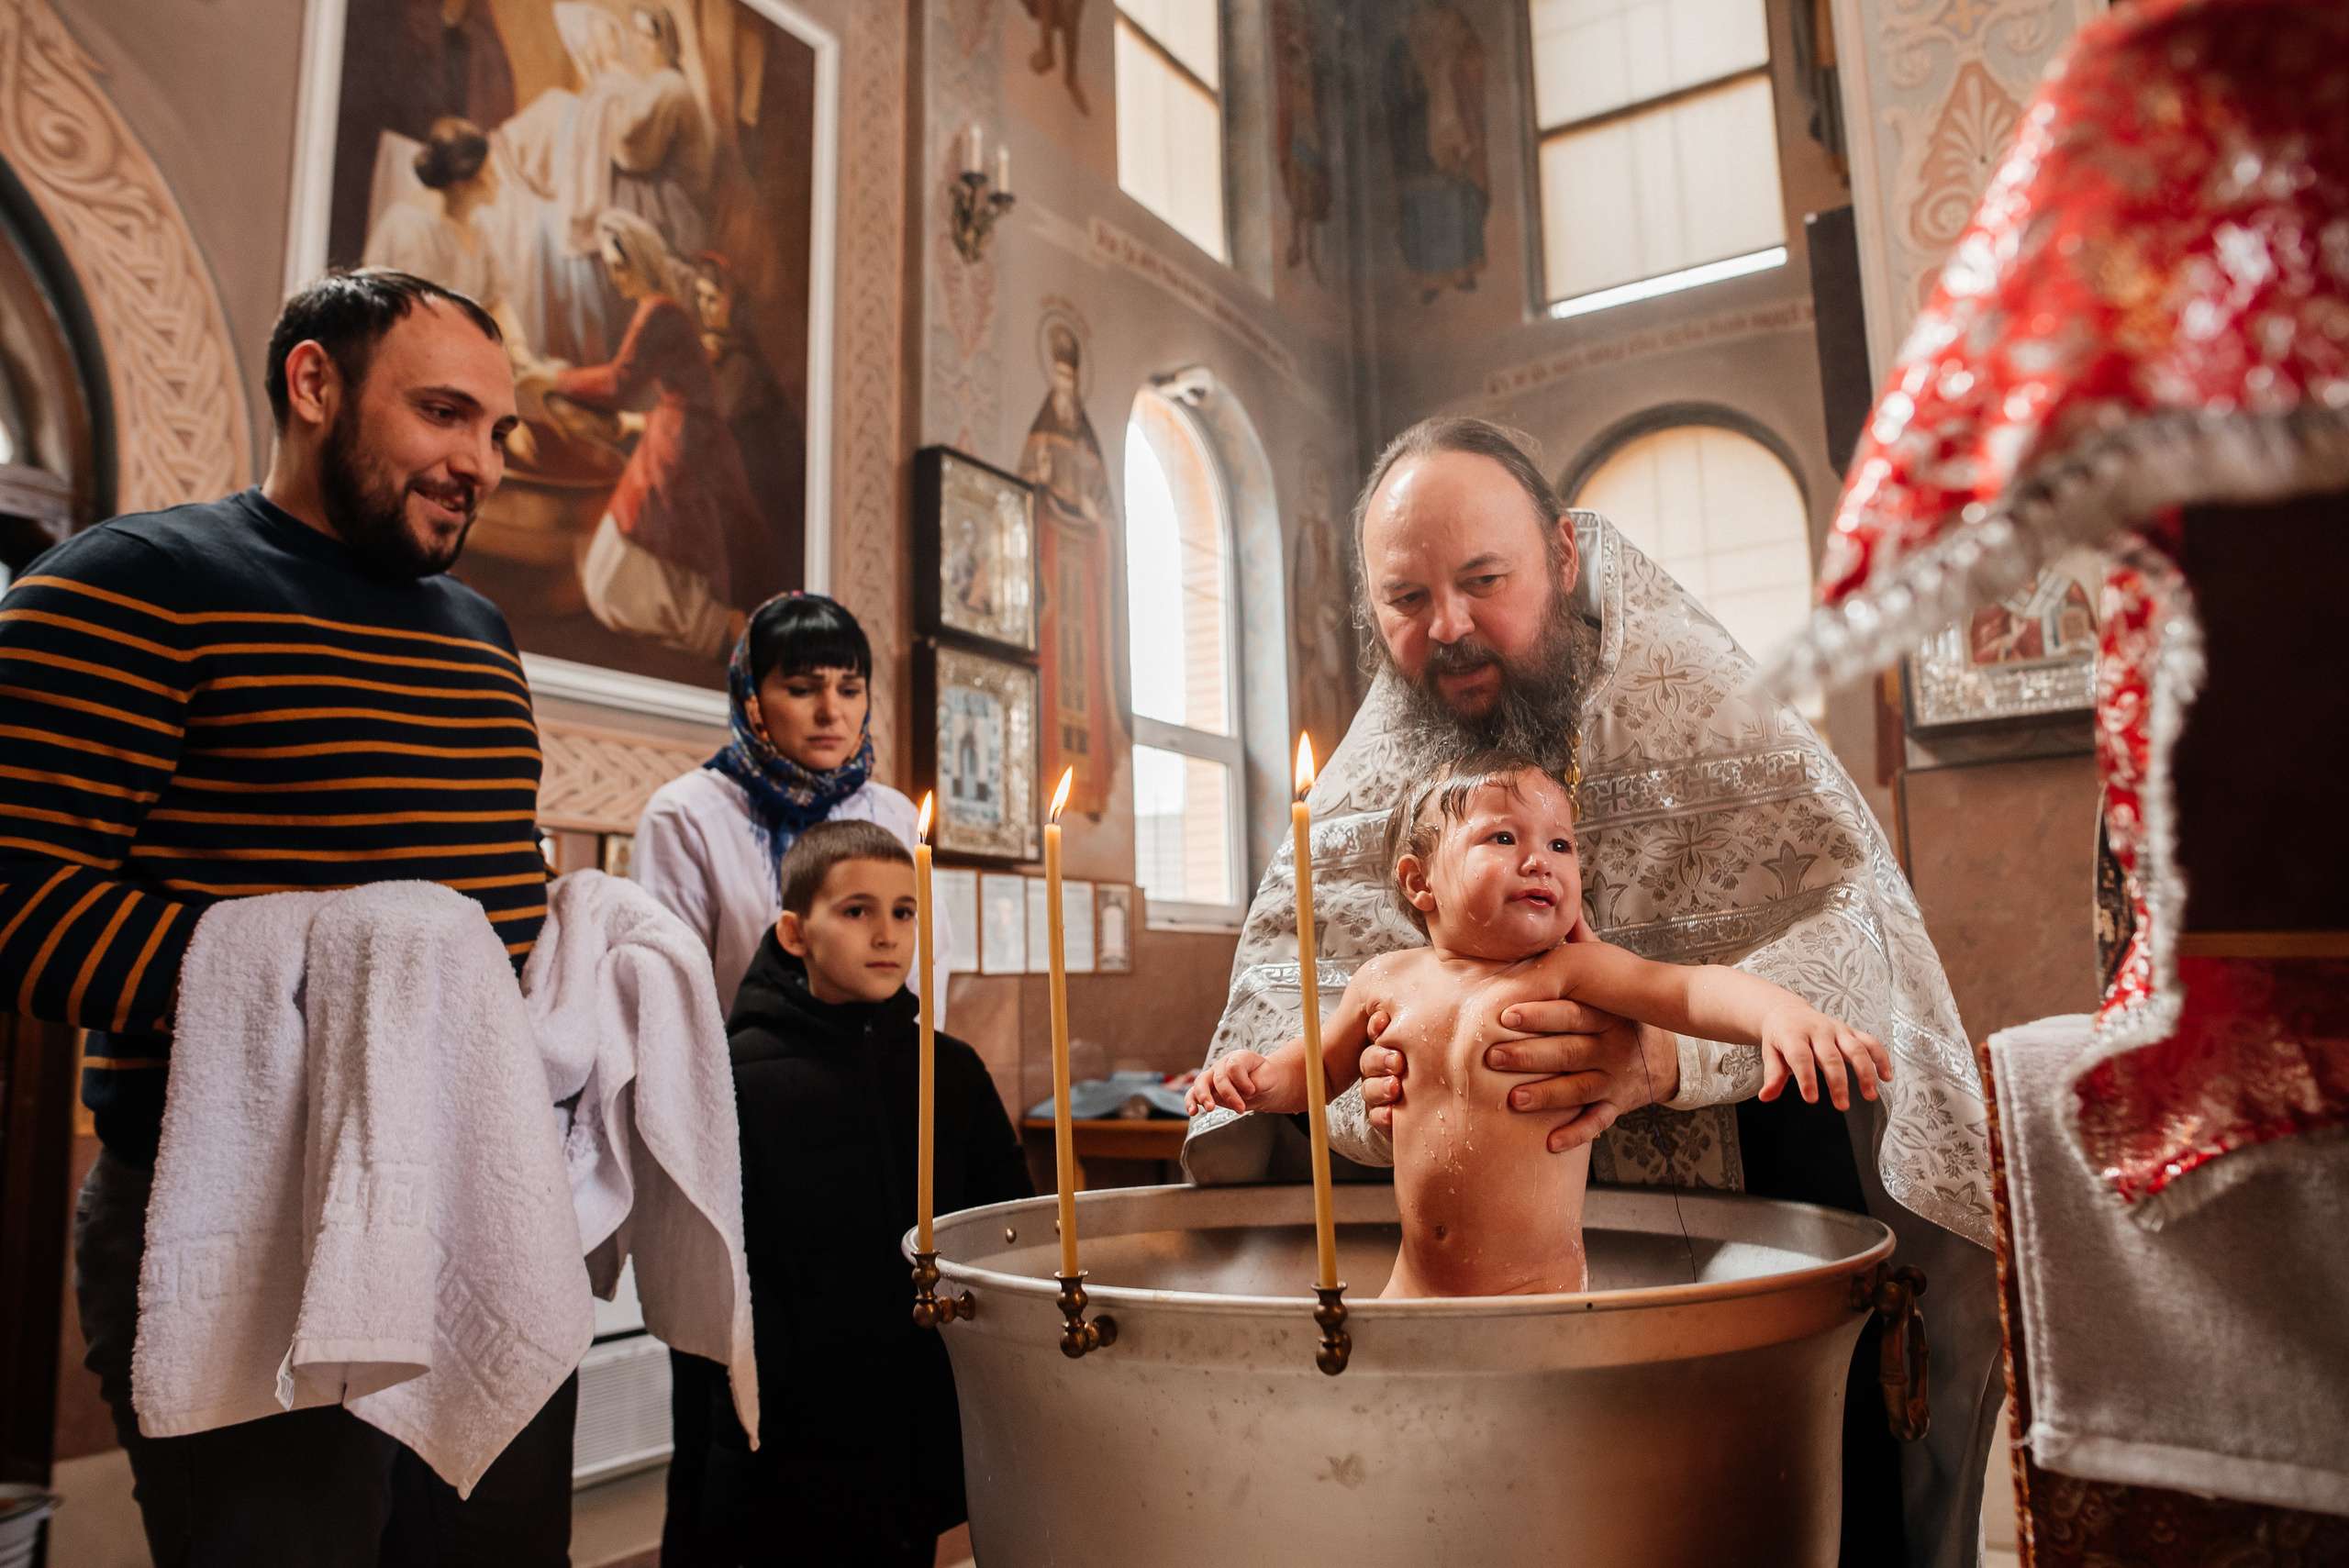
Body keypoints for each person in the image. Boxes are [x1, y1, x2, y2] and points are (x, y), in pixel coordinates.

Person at [1187, 416, 1999, 1567]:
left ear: (1562, 556)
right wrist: (1368, 1098)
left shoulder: (1706, 697)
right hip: (1468, 1303)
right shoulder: (1373, 777)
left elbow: (1847, 934)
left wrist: (1667, 1060)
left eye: (1483, 580)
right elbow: (1292, 1030)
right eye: (1406, 599)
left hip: (1748, 1232)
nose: (1450, 628)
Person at [0, 269, 569, 1563]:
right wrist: (331, 969)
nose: (478, 461)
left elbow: (477, 919)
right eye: (443, 414)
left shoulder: (481, 632)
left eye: (498, 432)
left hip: (471, 1201)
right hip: (244, 1217)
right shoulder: (131, 583)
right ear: (315, 384)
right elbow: (16, 902)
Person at [1189, 754, 1890, 1297]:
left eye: (1561, 845)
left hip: (1539, 1296)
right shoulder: (1384, 980)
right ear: (1418, 881)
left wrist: (1780, 1013)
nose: (1540, 860)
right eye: (1503, 836)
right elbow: (1318, 1072)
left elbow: (1684, 986)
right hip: (1409, 1290)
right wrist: (1255, 1078)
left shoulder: (1567, 971)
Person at [630, 590, 948, 1568]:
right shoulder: (688, 814)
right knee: (737, 1388)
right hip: (741, 1123)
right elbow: (666, 990)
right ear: (752, 696)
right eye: (800, 687)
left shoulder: (890, 813)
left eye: (848, 688)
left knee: (867, 1388)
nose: (828, 711)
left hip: (864, 1125)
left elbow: (926, 976)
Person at [709, 820, 1032, 1566]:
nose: (886, 933)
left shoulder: (949, 1071)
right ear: (795, 932)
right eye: (856, 910)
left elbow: (1010, 1229)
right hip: (794, 1428)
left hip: (918, 1414)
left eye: (904, 911)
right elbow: (723, 1274)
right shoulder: (738, 1074)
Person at [533, 207, 774, 661]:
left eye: (621, 265)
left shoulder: (659, 311)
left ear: (642, 260)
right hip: (673, 436)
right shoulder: (664, 313)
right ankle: (712, 626)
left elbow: (619, 384)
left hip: (681, 446)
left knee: (646, 548)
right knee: (652, 551)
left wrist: (551, 378)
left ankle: (717, 628)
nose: (616, 277)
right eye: (610, 267)